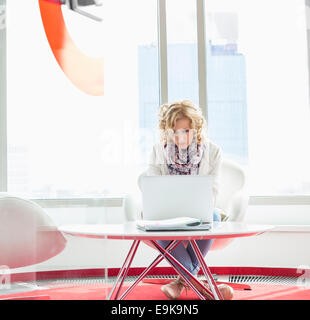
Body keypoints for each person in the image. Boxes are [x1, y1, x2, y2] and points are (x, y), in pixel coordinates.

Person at [146, 100, 234, 300]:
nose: (180, 137)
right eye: (174, 132)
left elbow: (213, 189)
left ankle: (182, 282)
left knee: (213, 216)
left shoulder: (213, 151)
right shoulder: (157, 151)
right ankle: (205, 287)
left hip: (200, 211)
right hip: (167, 214)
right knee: (156, 224)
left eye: (186, 131)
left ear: (196, 128)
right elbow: (153, 188)